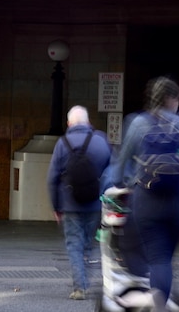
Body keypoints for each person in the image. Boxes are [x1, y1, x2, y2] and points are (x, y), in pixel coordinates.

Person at [108, 77, 179, 312]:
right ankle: (159, 297)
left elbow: (121, 163)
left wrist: (124, 183)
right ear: (172, 99)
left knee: (156, 255)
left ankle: (155, 300)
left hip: (147, 200)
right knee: (165, 260)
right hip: (178, 202)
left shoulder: (138, 123)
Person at [47, 105, 112, 300]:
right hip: (95, 204)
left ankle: (80, 287)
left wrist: (56, 207)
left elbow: (52, 178)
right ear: (88, 121)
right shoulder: (101, 141)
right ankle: (85, 280)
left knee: (74, 244)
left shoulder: (62, 143)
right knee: (88, 245)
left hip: (70, 204)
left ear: (69, 123)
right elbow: (113, 172)